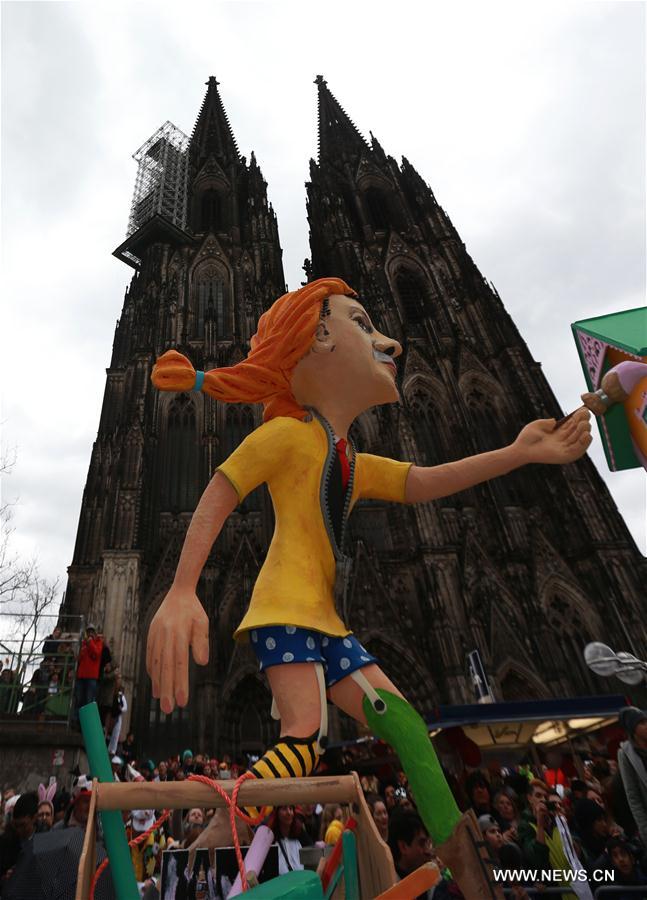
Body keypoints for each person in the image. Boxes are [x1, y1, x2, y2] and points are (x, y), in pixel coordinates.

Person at [146, 277, 592, 890]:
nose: (391, 343)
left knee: (405, 724)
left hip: (327, 623)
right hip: (285, 613)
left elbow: (426, 480)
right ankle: (222, 826)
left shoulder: (350, 461)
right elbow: (222, 491)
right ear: (318, 338)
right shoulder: (283, 435)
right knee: (302, 736)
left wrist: (519, 453)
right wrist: (181, 589)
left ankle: (463, 863)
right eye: (364, 323)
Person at [617, 706, 647, 847]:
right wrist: (645, 831)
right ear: (632, 729)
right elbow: (633, 796)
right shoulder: (625, 754)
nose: (646, 725)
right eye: (641, 723)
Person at [73, 624, 103, 721]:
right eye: (88, 632)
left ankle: (87, 723)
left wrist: (90, 643)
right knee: (79, 700)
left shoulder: (98, 642)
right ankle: (76, 721)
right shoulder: (84, 644)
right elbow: (78, 658)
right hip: (81, 676)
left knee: (89, 701)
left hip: (91, 677)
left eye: (91, 632)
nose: (90, 634)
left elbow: (96, 654)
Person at [272, 805, 304, 875]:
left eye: (291, 808)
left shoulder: (298, 840)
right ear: (276, 813)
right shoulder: (271, 843)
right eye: (284, 809)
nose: (289, 812)